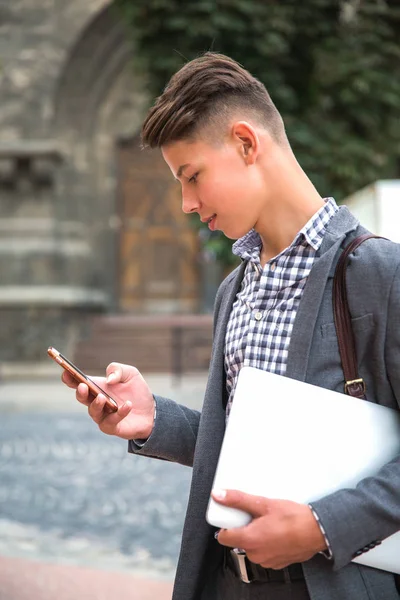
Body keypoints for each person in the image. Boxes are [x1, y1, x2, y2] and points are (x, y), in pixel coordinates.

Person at [62, 53, 400, 599]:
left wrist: (321, 526)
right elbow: (250, 451)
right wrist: (153, 419)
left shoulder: (378, 272)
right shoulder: (234, 289)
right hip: (224, 584)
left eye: (191, 176)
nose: (186, 204)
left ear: (246, 143)